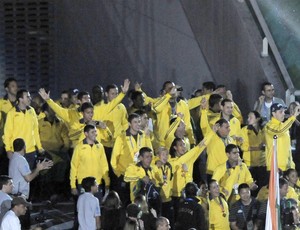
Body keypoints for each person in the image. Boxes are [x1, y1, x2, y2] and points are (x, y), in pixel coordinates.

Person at [111, 113, 152, 206]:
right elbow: (114, 158)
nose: (138, 124)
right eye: (135, 122)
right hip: (125, 175)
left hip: (141, 174)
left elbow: (150, 151)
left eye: (139, 122)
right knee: (125, 202)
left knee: (140, 202)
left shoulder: (144, 135)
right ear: (129, 123)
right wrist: (118, 174)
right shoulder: (121, 137)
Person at [4, 89, 44, 169]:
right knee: (18, 177)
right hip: (17, 151)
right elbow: (7, 133)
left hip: (31, 151)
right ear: (20, 99)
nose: (30, 98)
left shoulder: (31, 111)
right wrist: (8, 150)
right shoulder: (12, 113)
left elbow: (36, 130)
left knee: (30, 176)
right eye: (27, 97)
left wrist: (39, 147)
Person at [70, 124, 110, 200]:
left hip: (97, 183)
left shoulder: (100, 147)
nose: (95, 134)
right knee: (83, 208)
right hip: (83, 184)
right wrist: (73, 186)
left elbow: (104, 165)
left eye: (95, 131)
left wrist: (107, 182)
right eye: (92, 132)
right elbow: (74, 166)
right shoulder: (79, 147)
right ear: (86, 134)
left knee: (97, 208)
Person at [265, 103, 300, 172]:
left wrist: (291, 165)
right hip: (275, 168)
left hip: (288, 167)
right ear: (273, 114)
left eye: (284, 111)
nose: (283, 114)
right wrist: (293, 117)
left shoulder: (284, 126)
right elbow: (279, 131)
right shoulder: (269, 126)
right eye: (281, 112)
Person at [240, 111, 266, 190]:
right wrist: (258, 148)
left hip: (262, 164)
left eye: (250, 117)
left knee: (263, 188)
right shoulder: (244, 130)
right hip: (250, 165)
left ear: (257, 119)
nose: (248, 119)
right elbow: (243, 147)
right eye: (248, 117)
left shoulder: (264, 130)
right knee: (252, 188)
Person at [0, 78, 18, 175]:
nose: (15, 88)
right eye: (13, 86)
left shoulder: (21, 103)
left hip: (19, 140)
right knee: (5, 168)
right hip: (4, 142)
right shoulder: (1, 103)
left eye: (16, 86)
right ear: (7, 88)